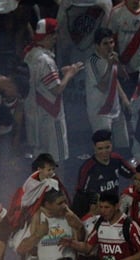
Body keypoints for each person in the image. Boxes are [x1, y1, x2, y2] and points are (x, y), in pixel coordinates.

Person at [23, 18, 84, 162]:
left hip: (35, 114)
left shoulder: (30, 54)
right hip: (51, 115)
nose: (56, 37)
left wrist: (60, 73)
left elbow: (43, 82)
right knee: (56, 159)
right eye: (54, 34)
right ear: (47, 36)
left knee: (40, 159)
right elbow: (57, 89)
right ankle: (57, 185)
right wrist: (70, 73)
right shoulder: (45, 60)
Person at [85, 28, 132, 151]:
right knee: (104, 146)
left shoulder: (112, 57)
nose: (110, 46)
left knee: (123, 144)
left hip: (115, 108)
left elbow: (122, 77)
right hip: (100, 110)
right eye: (105, 43)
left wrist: (125, 99)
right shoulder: (92, 62)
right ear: (97, 45)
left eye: (111, 42)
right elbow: (102, 86)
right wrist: (110, 65)